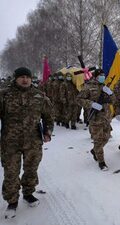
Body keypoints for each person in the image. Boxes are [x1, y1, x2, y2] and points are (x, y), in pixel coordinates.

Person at [0, 67, 54, 219]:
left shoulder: (39, 96)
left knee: (31, 170)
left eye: (27, 77)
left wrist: (47, 132)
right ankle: (11, 201)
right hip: (10, 142)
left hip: (33, 142)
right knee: (11, 173)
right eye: (21, 77)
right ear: (15, 78)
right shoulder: (4, 95)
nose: (25, 79)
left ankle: (28, 193)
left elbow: (49, 116)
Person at [77, 68, 115, 170]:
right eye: (100, 75)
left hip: (106, 118)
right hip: (95, 118)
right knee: (98, 140)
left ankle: (95, 150)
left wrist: (110, 94)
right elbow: (79, 99)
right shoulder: (88, 86)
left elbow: (113, 101)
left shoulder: (105, 87)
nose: (103, 77)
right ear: (96, 76)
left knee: (106, 138)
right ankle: (101, 161)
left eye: (103, 75)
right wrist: (92, 104)